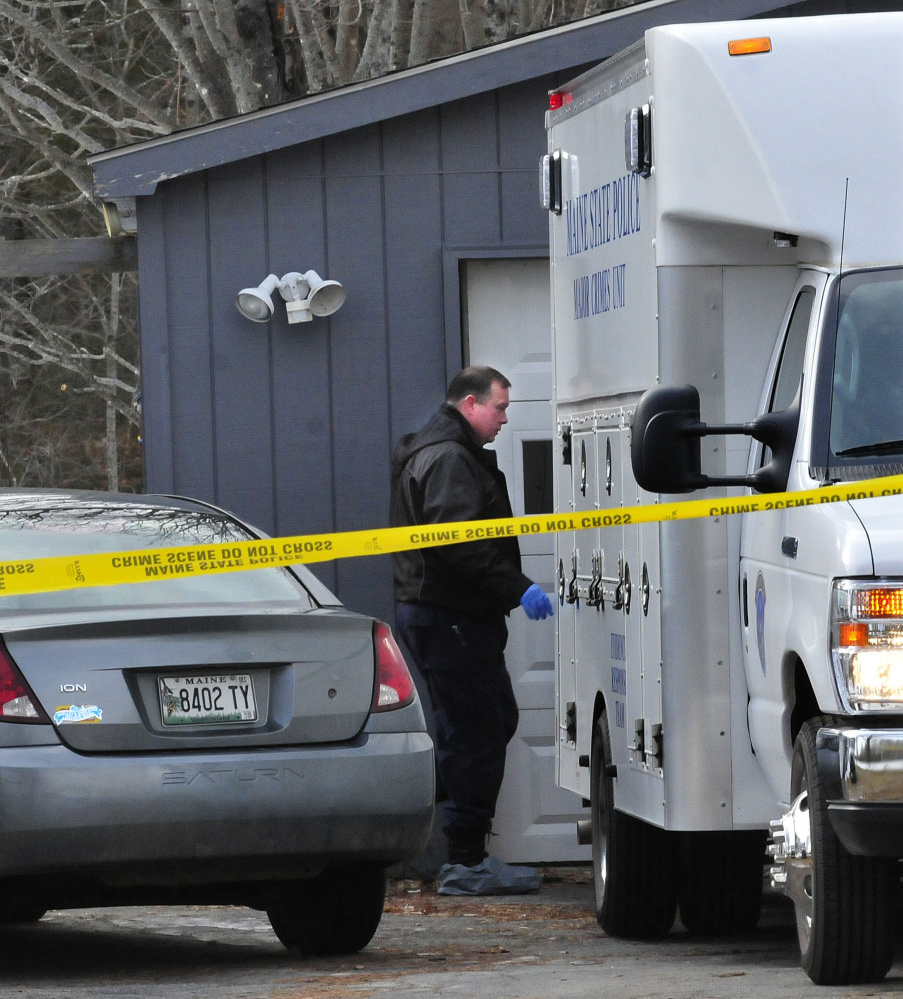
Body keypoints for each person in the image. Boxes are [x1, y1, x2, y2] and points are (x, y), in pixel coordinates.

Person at [391, 365, 554, 895]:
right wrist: (517, 587)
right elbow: (458, 544)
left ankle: (417, 833)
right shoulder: (447, 459)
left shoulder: (447, 452)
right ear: (469, 402)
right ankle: (463, 860)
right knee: (476, 730)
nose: (505, 419)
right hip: (449, 615)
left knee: (488, 722)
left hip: (452, 615)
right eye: (500, 407)